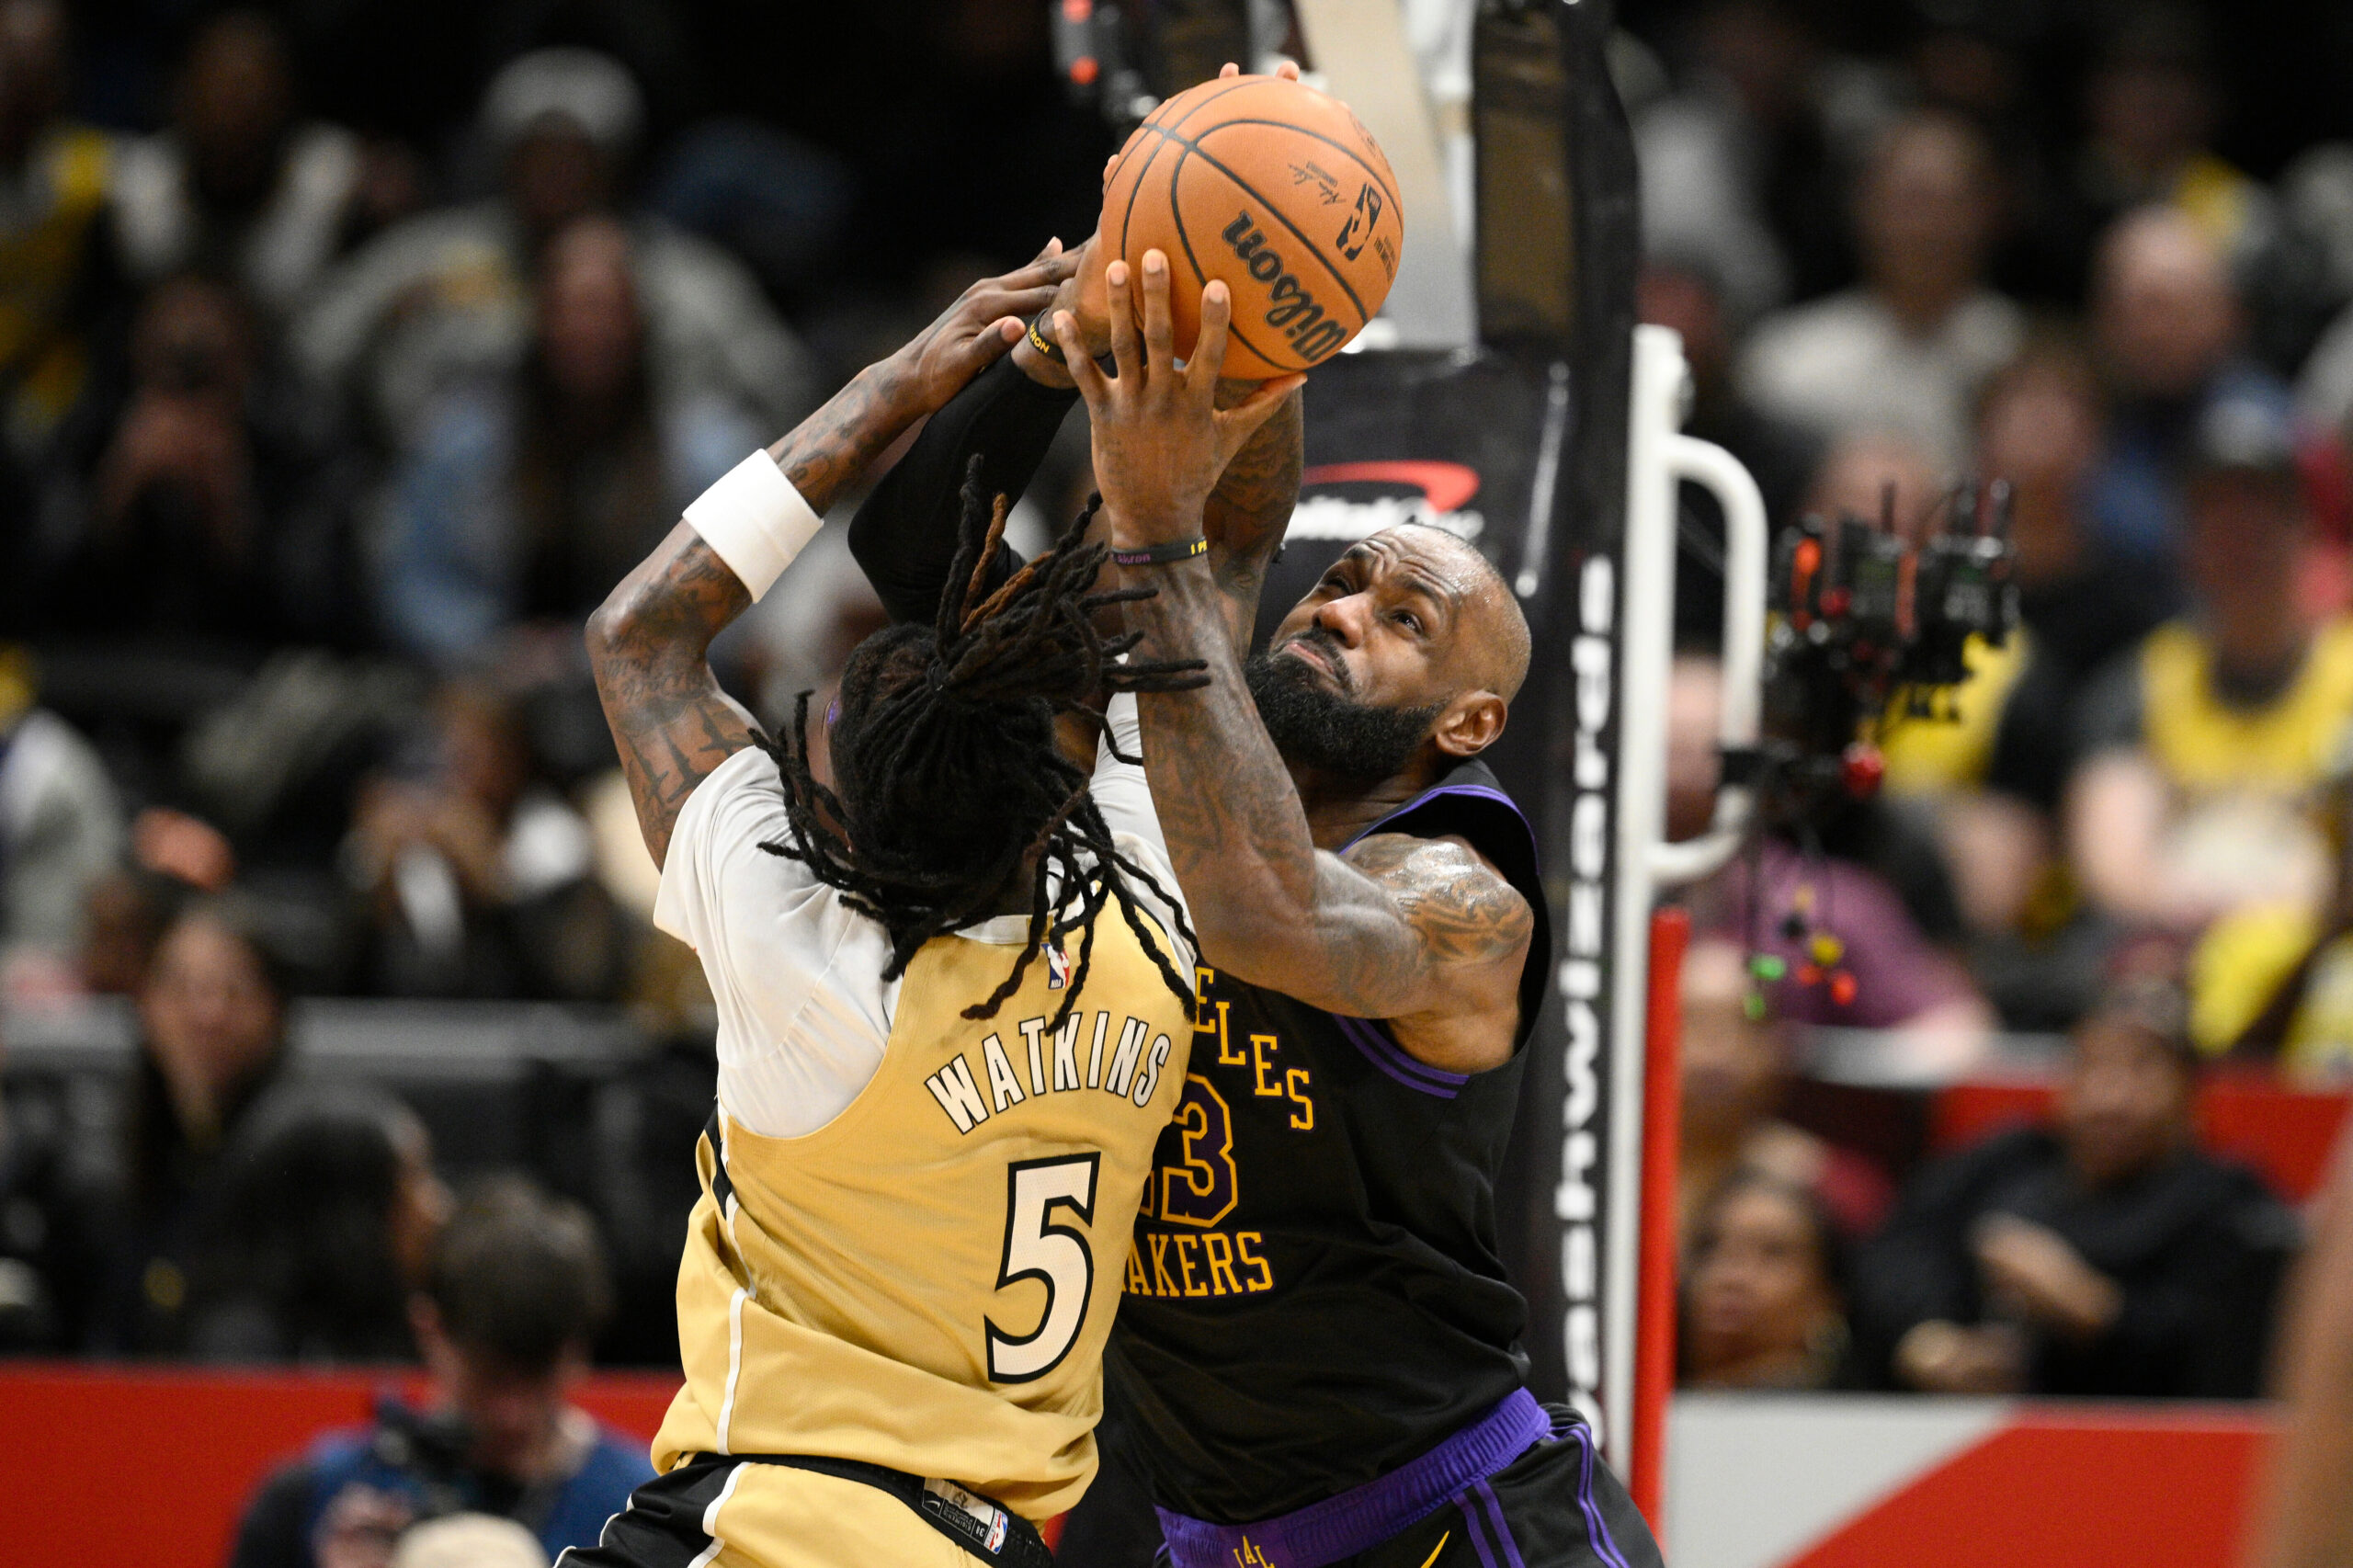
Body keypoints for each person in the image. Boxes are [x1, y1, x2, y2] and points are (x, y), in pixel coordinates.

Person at [847, 196, 1657, 1560]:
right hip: (1209, 1529)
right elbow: (921, 573)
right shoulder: (1174, 742)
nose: (1341, 609)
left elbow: (1262, 909)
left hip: (1455, 1516)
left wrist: (1162, 536)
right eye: (1336, 581)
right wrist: (1168, 318)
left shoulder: (1466, 897)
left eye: (1407, 622)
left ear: (1463, 720)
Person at [561, 244, 1239, 1568]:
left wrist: (885, 394)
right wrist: (1229, 380)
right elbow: (1191, 585)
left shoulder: (817, 972)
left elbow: (638, 635)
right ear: (1060, 806)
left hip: (779, 1526)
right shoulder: (1145, 937)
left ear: (853, 823)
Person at [291, 48, 810, 453]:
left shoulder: (685, 278)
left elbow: (785, 393)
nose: (555, 177)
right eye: (537, 155)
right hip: (462, 508)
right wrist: (384, 329)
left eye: (575, 156)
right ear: (504, 162)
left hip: (657, 511)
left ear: (615, 167)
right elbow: (311, 349)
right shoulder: (434, 259)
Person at [1849, 979, 2297, 1398]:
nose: (2110, 1098)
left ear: (2187, 1091)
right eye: (2092, 1067)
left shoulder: (2228, 1201)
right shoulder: (2004, 1162)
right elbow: (1896, 1252)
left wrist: (2096, 1310)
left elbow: (2231, 1351)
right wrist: (1927, 1337)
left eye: (2142, 1071)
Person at [228, 1180, 649, 1568]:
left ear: (579, 1348)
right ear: (429, 1330)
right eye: (489, 1376)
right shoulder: (309, 1503)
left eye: (537, 1377)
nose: (512, 1414)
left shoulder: (645, 1514)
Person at [2064, 390, 2353, 937]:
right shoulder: (2139, 684)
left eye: (2260, 511)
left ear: (2306, 529)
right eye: (2216, 513)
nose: (2240, 537)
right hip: (2175, 949)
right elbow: (2113, 869)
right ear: (2184, 538)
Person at [1738, 111, 2024, 472]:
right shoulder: (1787, 362)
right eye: (1913, 203)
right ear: (1864, 207)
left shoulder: (2018, 354)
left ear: (1990, 214)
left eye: (1952, 203)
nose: (1929, 229)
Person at [88, 895, 294, 1353]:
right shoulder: (108, 1157)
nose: (207, 1014)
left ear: (275, 1010)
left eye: (231, 990)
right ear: (146, 1004)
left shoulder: (300, 1154)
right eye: (182, 988)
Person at [107, 10, 369, 323]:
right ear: (180, 94)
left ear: (285, 98)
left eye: (251, 89)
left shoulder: (336, 177)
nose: (235, 109)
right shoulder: (133, 184)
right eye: (219, 87)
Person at [184, 1082, 449, 1363]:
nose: (439, 1206)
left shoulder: (431, 1329)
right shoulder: (245, 1355)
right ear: (349, 1222)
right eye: (413, 1181)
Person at [1677, 937, 1891, 1244]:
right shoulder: (1601, 1181)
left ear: (1782, 1047)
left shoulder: (1834, 1192)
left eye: (1746, 1023)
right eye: (1690, 1024)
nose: (1716, 1053)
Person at [1680, 1171, 1851, 1391]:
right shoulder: (1632, 1407)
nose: (1731, 1277)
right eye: (1709, 1247)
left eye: (1774, 1252)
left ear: (1824, 1296)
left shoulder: (1856, 1415)